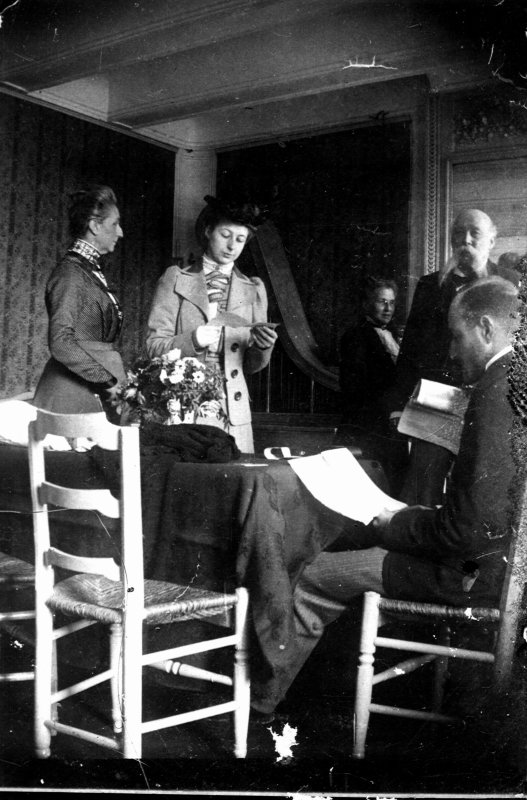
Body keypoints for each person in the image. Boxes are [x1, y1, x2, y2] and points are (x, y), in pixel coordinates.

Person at [251, 276, 520, 717]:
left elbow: (465, 532)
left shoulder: (494, 393)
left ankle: (259, 710)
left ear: (487, 329)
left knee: (312, 574)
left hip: (469, 577)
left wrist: (396, 521)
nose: (453, 352)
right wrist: (416, 514)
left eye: (457, 337)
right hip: (502, 571)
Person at [385, 208, 519, 506]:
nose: (465, 241)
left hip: (490, 393)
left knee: (482, 480)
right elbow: (411, 350)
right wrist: (397, 404)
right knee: (423, 480)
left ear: (492, 241)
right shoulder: (430, 285)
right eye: (458, 233)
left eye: (475, 234)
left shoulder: (513, 282)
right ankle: (417, 530)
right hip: (439, 397)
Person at [146, 195, 277, 453]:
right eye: (225, 235)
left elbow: (252, 366)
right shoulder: (175, 278)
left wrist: (263, 347)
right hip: (184, 405)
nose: (231, 246)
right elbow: (153, 347)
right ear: (208, 231)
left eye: (240, 239)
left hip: (232, 410)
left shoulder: (254, 289)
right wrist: (193, 339)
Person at [33, 185, 126, 420]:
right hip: (73, 392)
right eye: (115, 224)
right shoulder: (70, 273)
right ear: (95, 226)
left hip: (98, 387)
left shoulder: (89, 270)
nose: (120, 232)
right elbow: (60, 342)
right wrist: (107, 382)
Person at [337, 276, 407, 495]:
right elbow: (356, 386)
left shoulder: (397, 335)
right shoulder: (355, 336)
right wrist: (391, 408)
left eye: (392, 302)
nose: (388, 308)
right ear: (366, 303)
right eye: (381, 302)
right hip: (370, 424)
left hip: (397, 422)